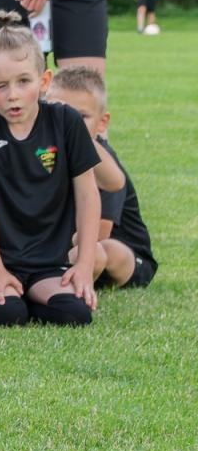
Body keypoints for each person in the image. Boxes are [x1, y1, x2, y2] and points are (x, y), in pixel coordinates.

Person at [0, 12, 100, 326]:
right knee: (6, 313)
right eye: (0, 86)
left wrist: (84, 266)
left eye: (23, 82)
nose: (13, 94)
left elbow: (88, 196)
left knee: (76, 313)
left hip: (47, 263)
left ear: (44, 81)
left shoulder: (66, 122)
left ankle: (28, 294)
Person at [50, 67, 156, 289]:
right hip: (66, 247)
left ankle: (75, 283)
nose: (68, 124)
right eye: (60, 113)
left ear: (102, 122)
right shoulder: (44, 152)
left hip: (115, 252)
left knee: (103, 249)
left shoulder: (105, 165)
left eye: (81, 117)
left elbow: (99, 232)